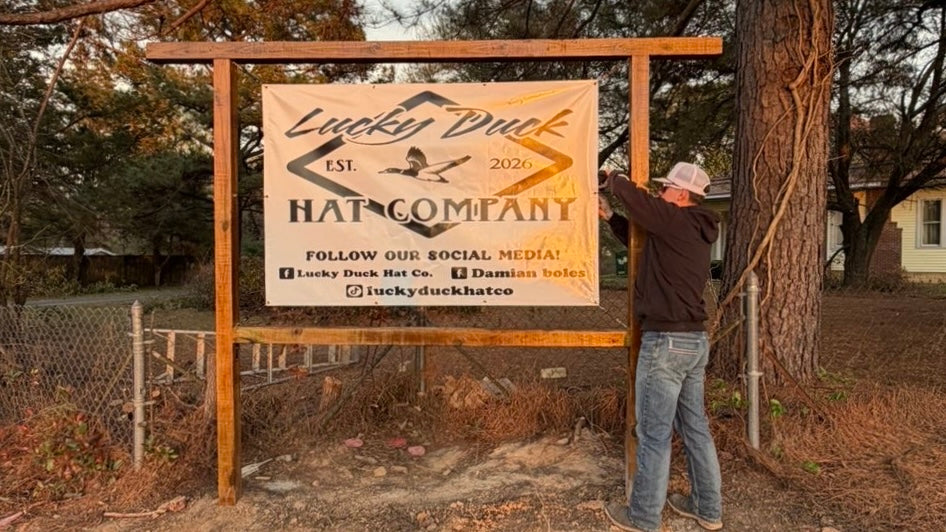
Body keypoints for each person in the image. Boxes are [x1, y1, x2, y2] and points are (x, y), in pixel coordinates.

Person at [599, 162, 723, 532]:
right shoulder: (688, 228)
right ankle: (707, 508)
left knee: (653, 434)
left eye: (666, 188)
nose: (660, 192)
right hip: (692, 341)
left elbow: (644, 205)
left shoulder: (675, 220)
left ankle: (643, 517)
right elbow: (645, 245)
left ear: (682, 194)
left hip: (665, 343)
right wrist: (611, 218)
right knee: (695, 428)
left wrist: (613, 179)